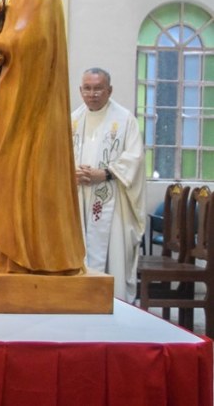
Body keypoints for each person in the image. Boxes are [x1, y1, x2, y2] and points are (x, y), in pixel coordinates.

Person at [0, 0, 85, 274]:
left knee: (17, 167)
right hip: (13, 95)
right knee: (0, 165)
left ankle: (25, 255)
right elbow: (12, 36)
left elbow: (28, 43)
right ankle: (3, 252)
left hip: (31, 106)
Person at [72, 68, 146, 301]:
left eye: (98, 88)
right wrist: (71, 172)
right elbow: (57, 156)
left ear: (109, 90)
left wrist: (104, 173)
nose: (92, 94)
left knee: (113, 255)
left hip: (113, 202)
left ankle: (115, 304)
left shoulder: (125, 121)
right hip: (79, 201)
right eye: (87, 88)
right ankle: (82, 302)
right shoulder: (72, 120)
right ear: (80, 90)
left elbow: (135, 158)